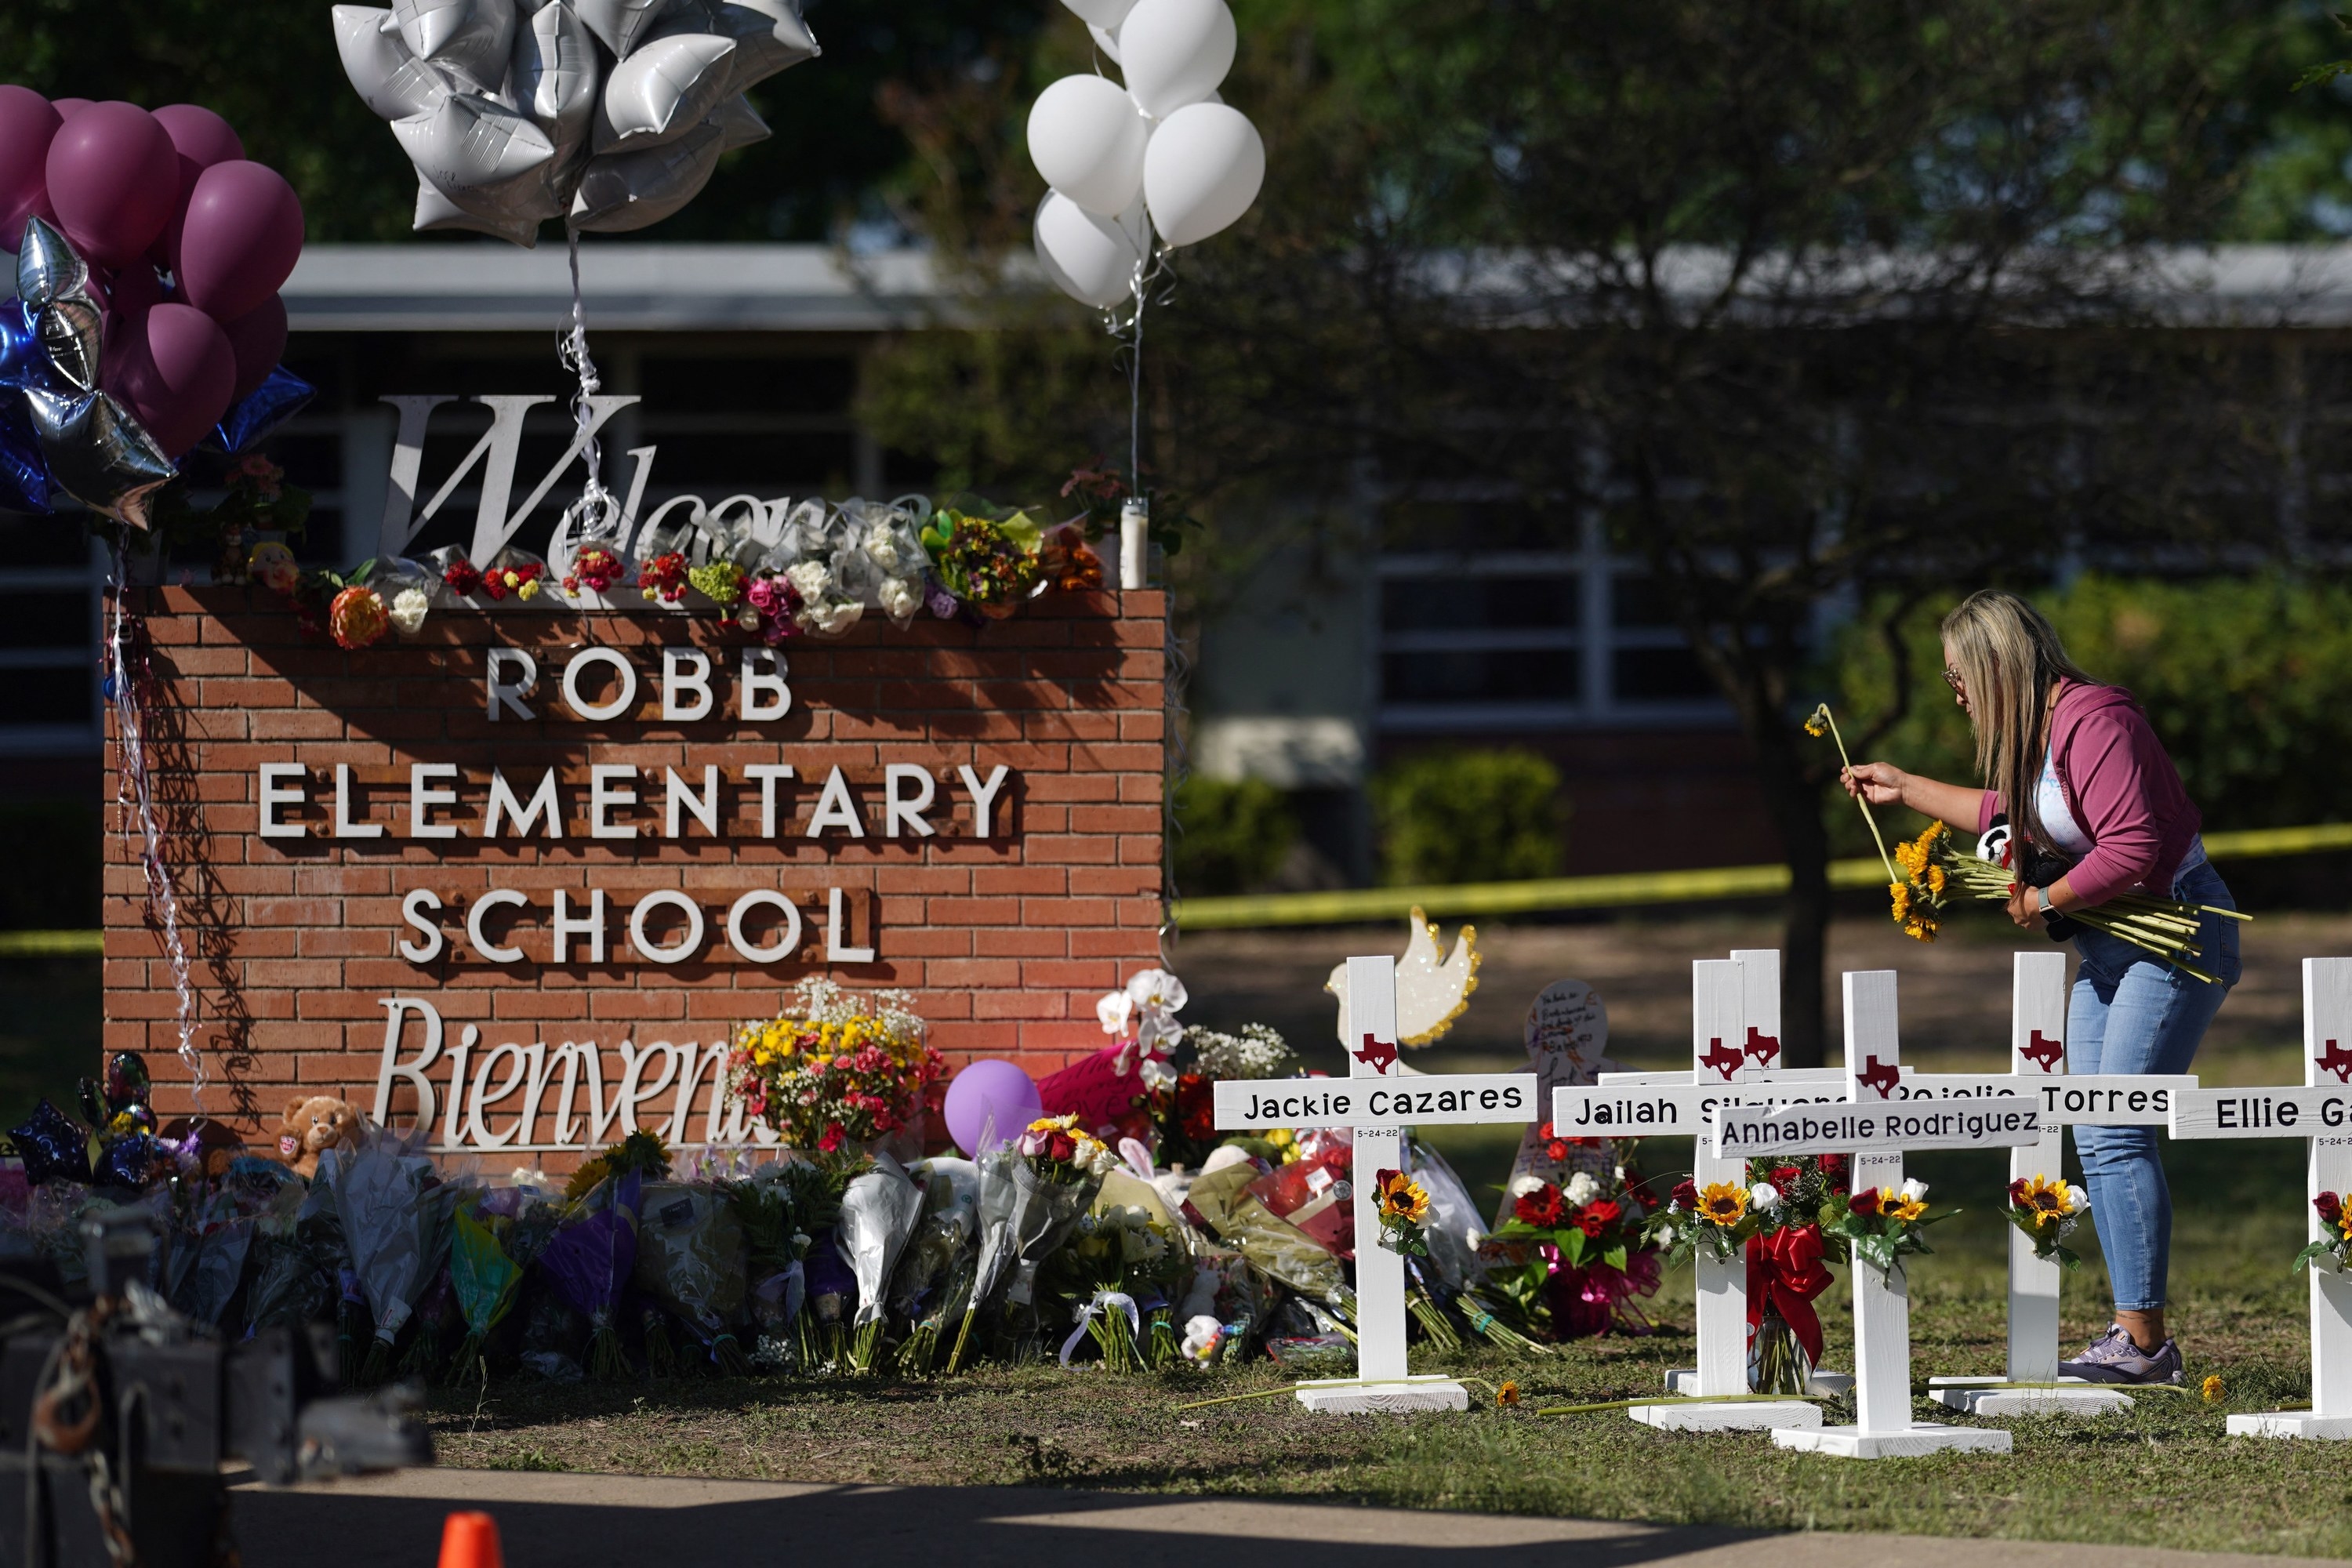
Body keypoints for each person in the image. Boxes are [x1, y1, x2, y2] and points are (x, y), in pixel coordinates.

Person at [1842, 589, 2239, 1386]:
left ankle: (2144, 1344)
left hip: (2178, 936)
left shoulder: (2097, 720)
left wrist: (2043, 900)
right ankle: (2137, 1338)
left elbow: (2132, 846)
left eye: (1960, 675)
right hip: (2110, 946)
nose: (1955, 691)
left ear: (1998, 665)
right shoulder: (2041, 735)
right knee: (2095, 1128)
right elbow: (2011, 813)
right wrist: (1906, 787)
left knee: (2117, 1127)